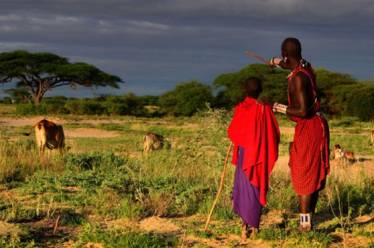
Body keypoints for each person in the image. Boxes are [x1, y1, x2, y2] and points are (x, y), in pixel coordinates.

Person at [271, 37, 330, 231]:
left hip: (309, 126)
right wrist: (276, 62)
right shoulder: (306, 68)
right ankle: (308, 221)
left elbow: (303, 111)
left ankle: (305, 226)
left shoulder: (298, 78)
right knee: (310, 171)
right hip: (317, 125)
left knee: (304, 173)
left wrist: (278, 107)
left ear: (285, 54)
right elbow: (293, 64)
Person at [228, 77, 280, 241]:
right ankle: (255, 226)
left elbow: (233, 132)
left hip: (245, 156)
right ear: (260, 91)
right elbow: (275, 135)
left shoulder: (241, 108)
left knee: (244, 189)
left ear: (245, 90)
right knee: (257, 187)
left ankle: (244, 227)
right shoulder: (264, 109)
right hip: (259, 157)